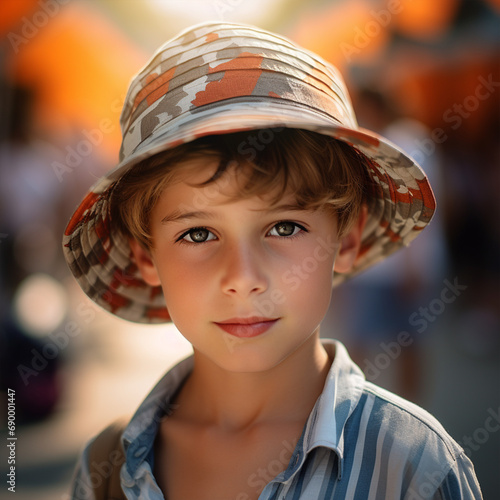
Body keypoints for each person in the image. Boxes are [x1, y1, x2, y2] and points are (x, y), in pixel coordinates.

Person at [64, 22, 482, 500]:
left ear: (345, 239)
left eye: (285, 227)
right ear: (145, 256)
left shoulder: (412, 468)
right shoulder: (106, 468)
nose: (243, 278)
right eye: (198, 233)